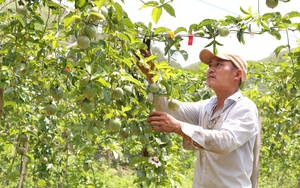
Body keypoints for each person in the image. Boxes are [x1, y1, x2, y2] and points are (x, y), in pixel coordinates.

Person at [144, 48, 259, 188]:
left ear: (237, 74)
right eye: (210, 65)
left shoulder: (244, 108)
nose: (210, 69)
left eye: (219, 64)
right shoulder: (207, 106)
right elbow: (167, 108)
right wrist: (153, 76)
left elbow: (225, 142)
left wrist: (179, 127)